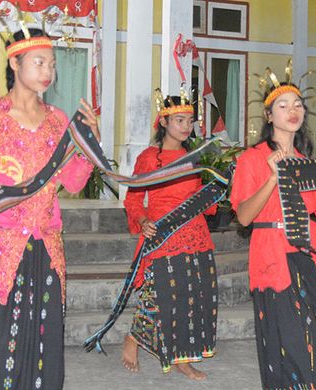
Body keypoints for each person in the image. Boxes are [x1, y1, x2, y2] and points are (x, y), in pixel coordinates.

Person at [0, 28, 99, 389]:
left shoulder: (58, 120)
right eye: (39, 62)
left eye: (52, 63)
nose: (48, 71)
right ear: (15, 63)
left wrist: (90, 142)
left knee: (44, 339)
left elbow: (75, 182)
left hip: (46, 245)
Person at [229, 80, 316, 390]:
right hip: (273, 256)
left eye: (298, 105)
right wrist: (271, 178)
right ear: (269, 116)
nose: (292, 110)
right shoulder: (251, 159)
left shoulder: (308, 165)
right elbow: (243, 216)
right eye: (283, 105)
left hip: (311, 256)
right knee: (293, 338)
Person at [121, 94, 218, 380]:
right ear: (163, 122)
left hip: (194, 231)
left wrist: (217, 193)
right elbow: (134, 198)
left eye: (189, 121)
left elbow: (199, 196)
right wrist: (143, 220)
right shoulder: (149, 158)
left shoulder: (195, 158)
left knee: (191, 296)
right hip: (163, 232)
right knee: (159, 293)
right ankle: (134, 339)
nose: (186, 126)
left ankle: (182, 358)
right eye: (179, 120)